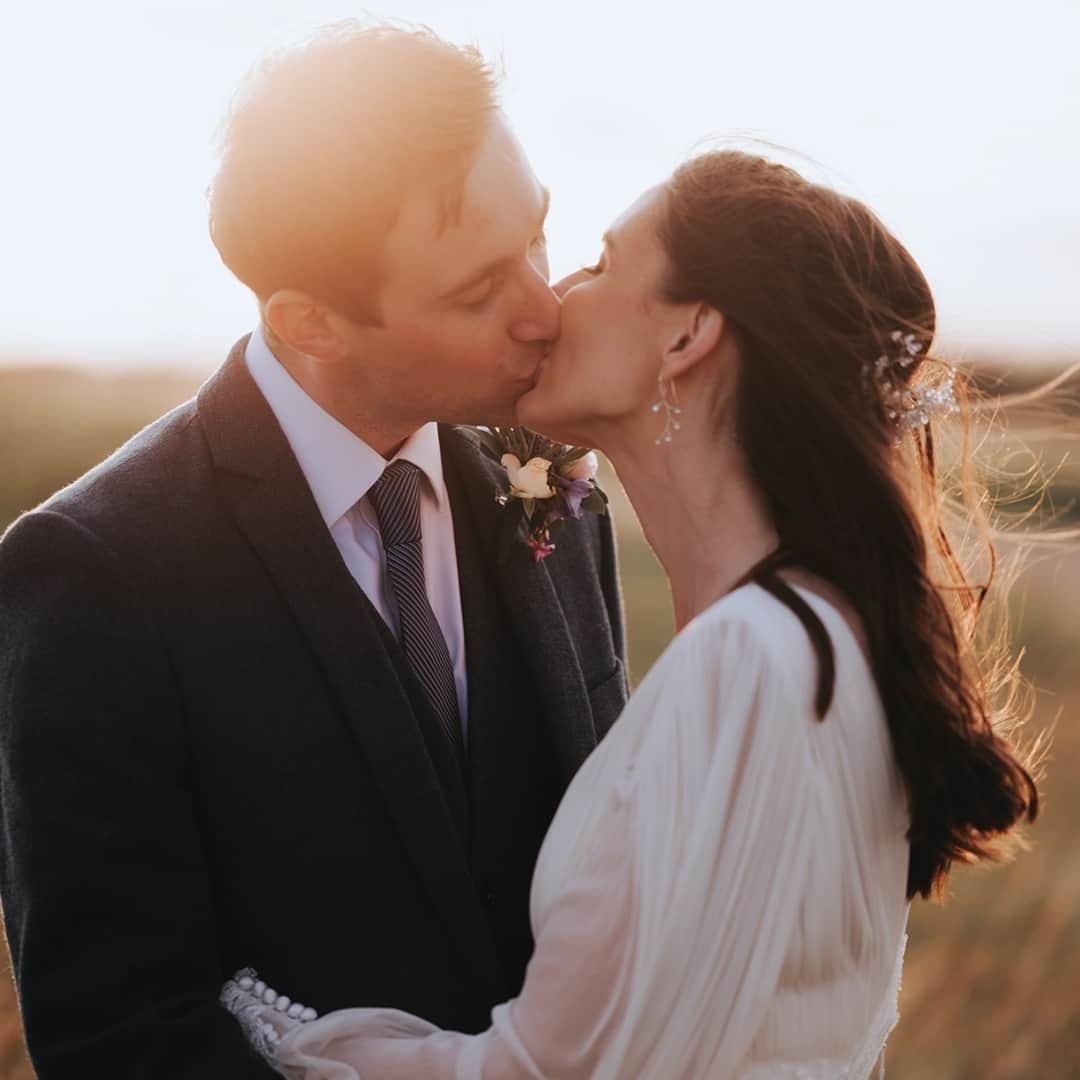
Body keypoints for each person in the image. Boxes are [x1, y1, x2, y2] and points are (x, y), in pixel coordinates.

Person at [220, 151, 1041, 1077]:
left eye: (605, 264)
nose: (558, 292)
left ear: (689, 335)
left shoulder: (751, 660)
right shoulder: (825, 630)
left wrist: (282, 1033)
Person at [0, 24, 628, 1079]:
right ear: (310, 321)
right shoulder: (96, 574)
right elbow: (116, 1026)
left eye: (539, 239)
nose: (541, 308)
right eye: (479, 290)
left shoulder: (556, 487)